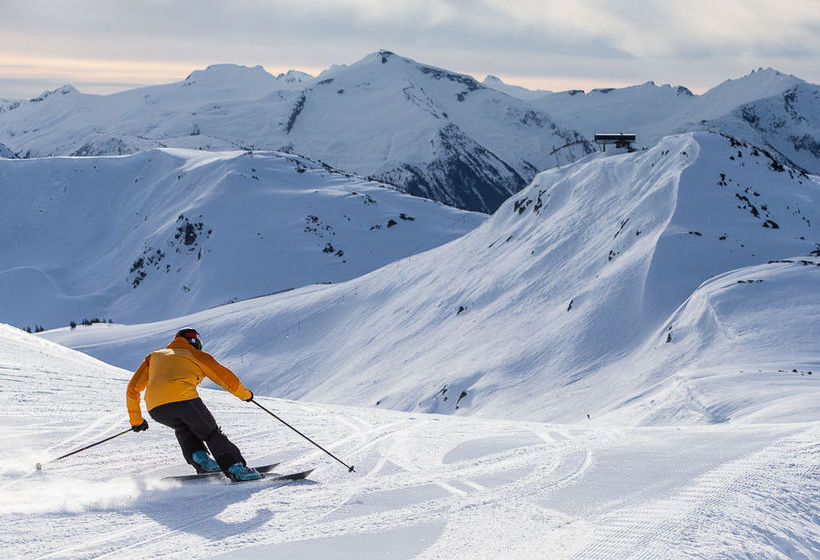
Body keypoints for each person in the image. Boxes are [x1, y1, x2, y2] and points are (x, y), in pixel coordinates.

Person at [126, 327, 262, 482]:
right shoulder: (196, 355)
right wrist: (246, 395)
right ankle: (236, 469)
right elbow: (225, 378)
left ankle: (202, 461)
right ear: (196, 342)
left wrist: (136, 420)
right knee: (210, 433)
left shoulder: (154, 356)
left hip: (156, 408)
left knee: (183, 427)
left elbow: (132, 389)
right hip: (183, 400)